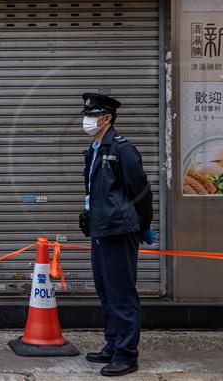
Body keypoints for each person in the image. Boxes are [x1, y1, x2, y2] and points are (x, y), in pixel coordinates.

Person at [79, 92, 155, 377]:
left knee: (122, 292)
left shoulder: (121, 149)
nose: (87, 120)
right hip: (101, 229)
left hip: (120, 230)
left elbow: (141, 190)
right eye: (86, 115)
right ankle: (112, 344)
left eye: (92, 115)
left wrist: (145, 224)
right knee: (106, 289)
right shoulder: (95, 148)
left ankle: (126, 354)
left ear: (107, 118)